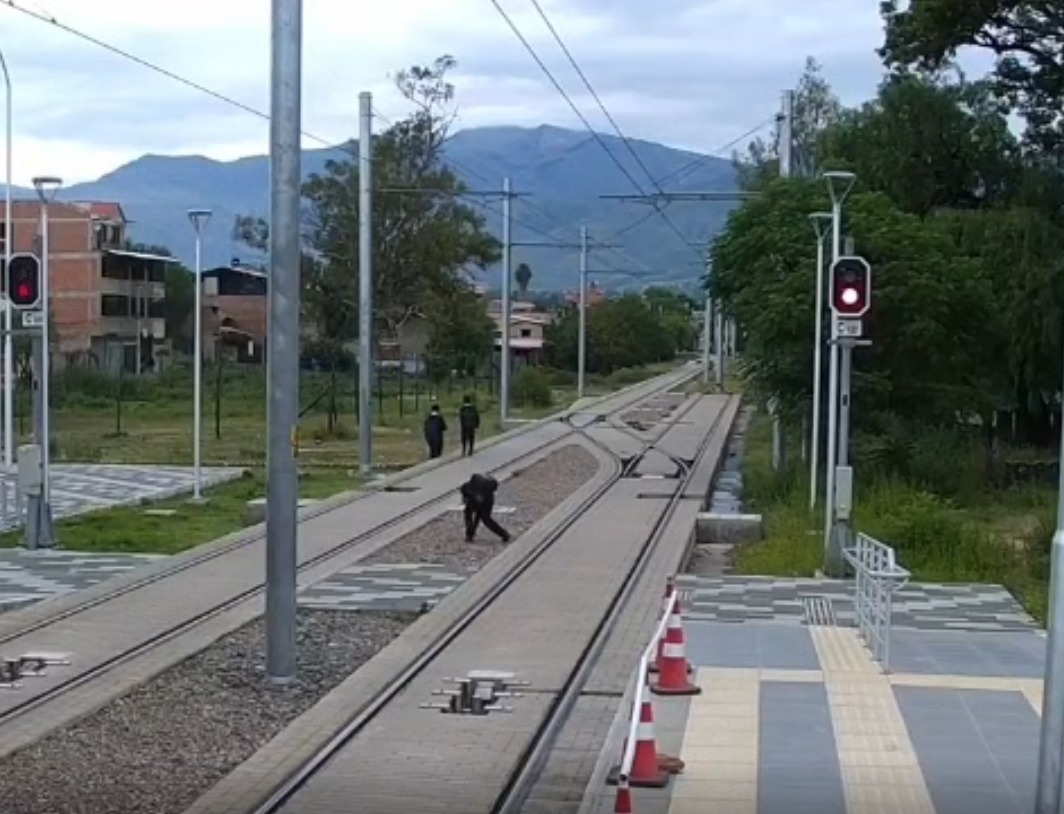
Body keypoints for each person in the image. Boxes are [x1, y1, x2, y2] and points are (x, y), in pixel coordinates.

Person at [459, 473, 511, 543]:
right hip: (479, 500)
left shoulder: (480, 489)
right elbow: (465, 493)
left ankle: (503, 534)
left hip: (485, 501)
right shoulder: (467, 488)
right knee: (476, 515)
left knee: (484, 518)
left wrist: (477, 500)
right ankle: (470, 534)